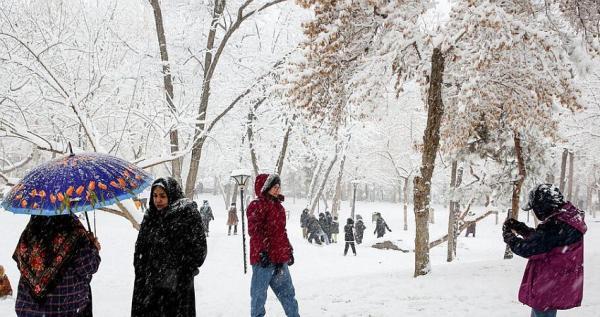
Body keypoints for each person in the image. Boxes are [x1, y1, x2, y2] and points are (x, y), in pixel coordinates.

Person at [503, 184, 587, 317]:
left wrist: (510, 238)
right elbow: (543, 240)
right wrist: (521, 229)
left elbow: (530, 248)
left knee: (542, 313)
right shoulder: (565, 220)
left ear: (542, 206)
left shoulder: (558, 225)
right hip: (554, 281)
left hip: (548, 283)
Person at [132, 177, 207, 317]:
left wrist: (178, 272)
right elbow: (140, 250)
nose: (157, 200)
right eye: (155, 195)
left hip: (176, 290)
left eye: (162, 196)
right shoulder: (150, 217)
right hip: (150, 288)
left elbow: (199, 251)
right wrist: (143, 271)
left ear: (172, 195)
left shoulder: (187, 215)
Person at [13, 214, 100, 317]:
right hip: (66, 308)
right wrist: (93, 248)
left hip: (29, 308)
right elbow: (88, 266)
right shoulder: (74, 230)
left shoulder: (30, 231)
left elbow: (21, 260)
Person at [247, 173, 299, 317]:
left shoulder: (279, 208)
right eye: (274, 187)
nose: (277, 190)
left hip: (280, 259)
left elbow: (282, 232)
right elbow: (254, 231)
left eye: (278, 187)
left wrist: (288, 250)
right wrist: (262, 252)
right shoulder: (256, 206)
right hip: (262, 261)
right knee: (259, 297)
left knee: (288, 294)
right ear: (265, 188)